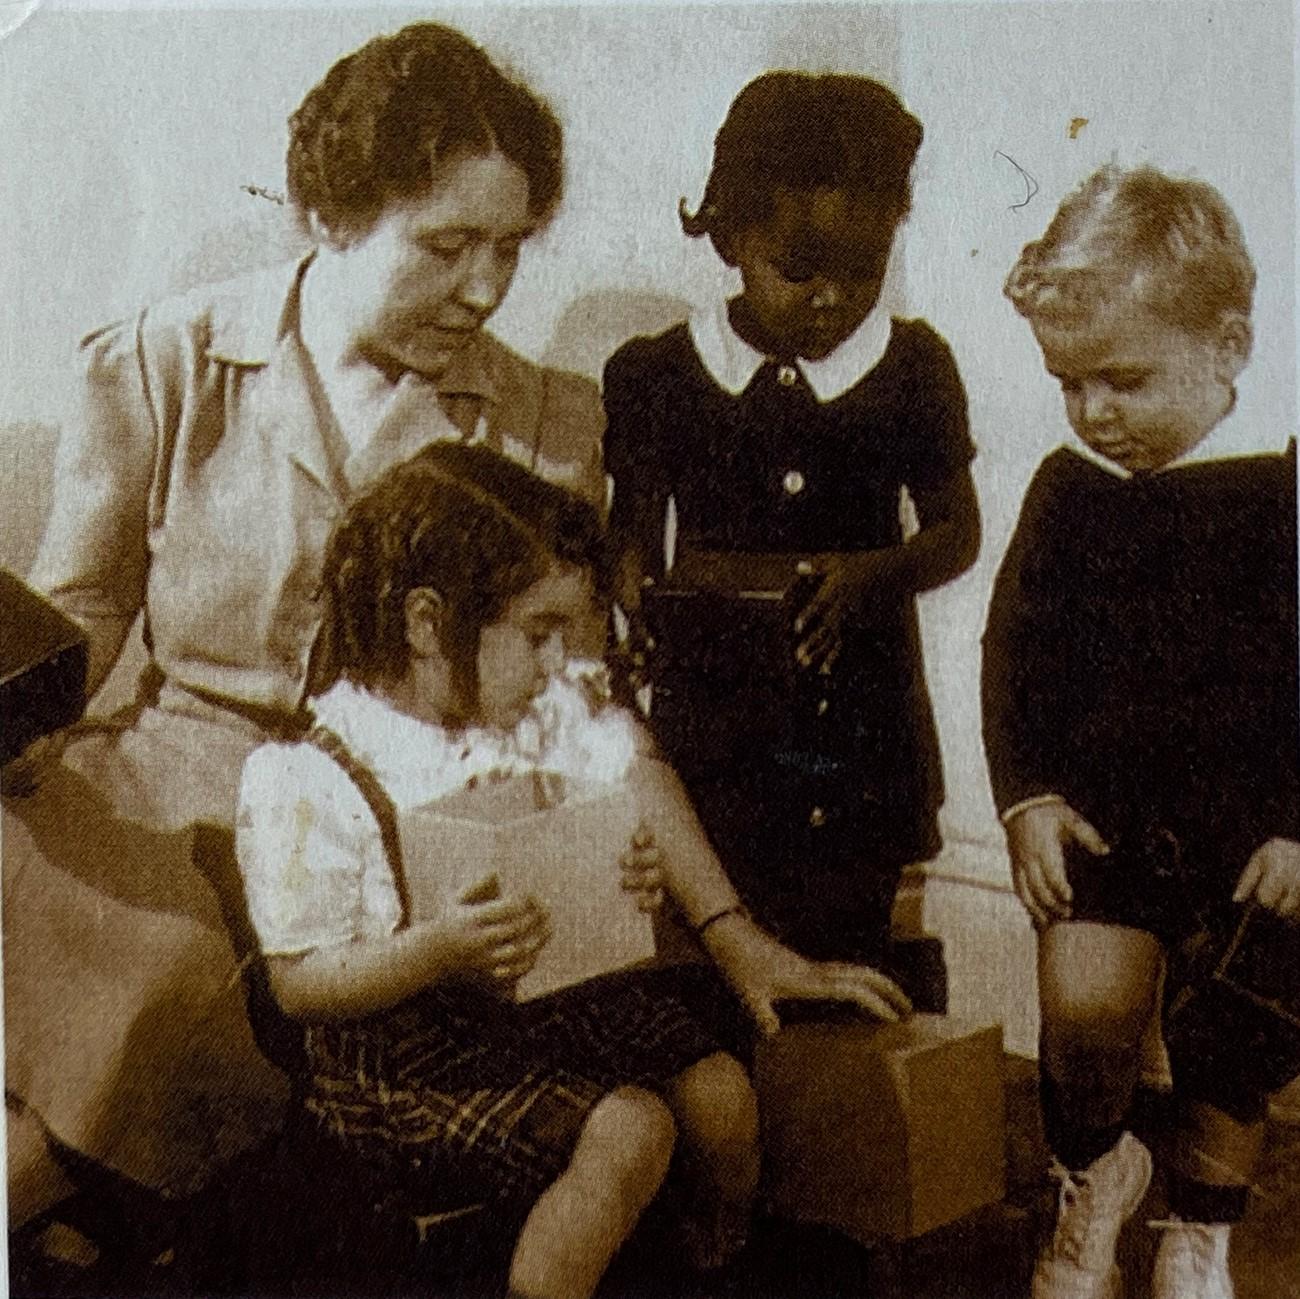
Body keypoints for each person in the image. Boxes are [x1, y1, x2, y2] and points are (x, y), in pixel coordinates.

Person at [4, 20, 606, 1244]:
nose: (487, 289)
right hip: (152, 787)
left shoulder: (543, 423)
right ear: (330, 216)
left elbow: (562, 702)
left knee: (181, 998)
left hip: (375, 826)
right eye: (446, 246)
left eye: (511, 248)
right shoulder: (166, 360)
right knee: (129, 967)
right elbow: (77, 625)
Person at [235, 443, 912, 1296]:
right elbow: (300, 985)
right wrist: (438, 949)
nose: (559, 662)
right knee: (632, 1127)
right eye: (537, 633)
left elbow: (628, 792)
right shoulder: (311, 773)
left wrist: (626, 873)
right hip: (410, 1053)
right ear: (426, 624)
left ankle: (713, 1253)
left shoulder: (534, 711)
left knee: (720, 1095)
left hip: (550, 1009)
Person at [982, 164, 1300, 1299]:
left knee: (1232, 1057)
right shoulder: (1070, 489)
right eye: (1069, 384)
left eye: (1122, 380)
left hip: (1255, 844)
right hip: (1105, 821)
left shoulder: (1284, 490)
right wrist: (1026, 798)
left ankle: (1202, 1230)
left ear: (1226, 346)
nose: (1094, 412)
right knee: (1083, 1010)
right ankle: (1095, 1173)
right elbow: (1012, 653)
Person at [603, 71, 979, 967]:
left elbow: (954, 532)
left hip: (863, 724)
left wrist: (868, 575)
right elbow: (630, 531)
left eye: (862, 272)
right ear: (731, 237)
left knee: (845, 940)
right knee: (706, 935)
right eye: (798, 271)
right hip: (714, 715)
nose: (830, 299)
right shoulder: (657, 373)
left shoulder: (914, 368)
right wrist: (631, 603)